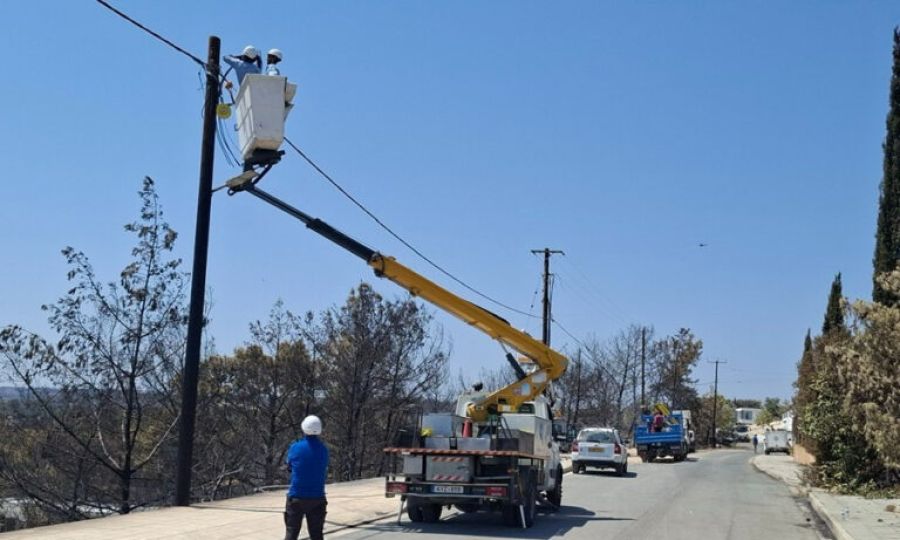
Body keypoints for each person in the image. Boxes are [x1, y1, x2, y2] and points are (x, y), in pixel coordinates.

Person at [284, 415, 329, 540]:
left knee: (291, 533)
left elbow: (289, 466)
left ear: (304, 428)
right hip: (318, 497)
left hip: (297, 496)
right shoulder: (324, 449)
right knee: (316, 535)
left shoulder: (295, 447)